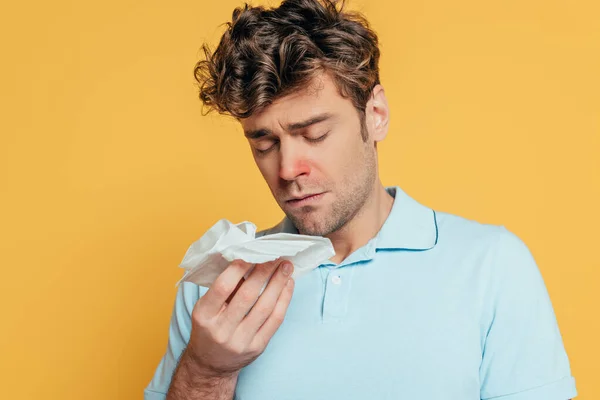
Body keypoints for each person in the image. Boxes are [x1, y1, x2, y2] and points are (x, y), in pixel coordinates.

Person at [144, 0, 577, 399]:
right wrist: (206, 370)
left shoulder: (491, 265)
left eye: (314, 134)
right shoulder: (221, 285)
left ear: (376, 115)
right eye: (264, 144)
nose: (287, 168)